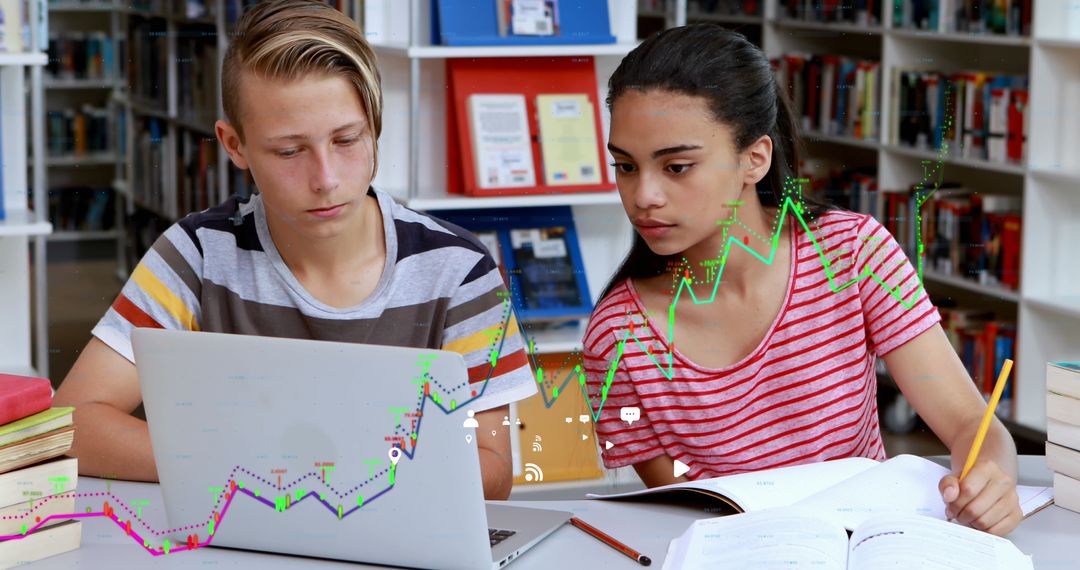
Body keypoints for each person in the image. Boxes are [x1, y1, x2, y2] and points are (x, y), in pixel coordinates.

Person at [53, 0, 534, 500]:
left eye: (347, 140)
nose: (325, 180)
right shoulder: (199, 254)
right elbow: (70, 425)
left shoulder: (459, 269)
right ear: (233, 144)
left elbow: (493, 471)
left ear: (375, 123)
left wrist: (313, 471)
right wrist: (264, 467)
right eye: (289, 151)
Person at [583, 24, 1022, 536]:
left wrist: (993, 479)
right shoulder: (617, 338)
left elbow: (972, 423)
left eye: (676, 167)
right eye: (626, 166)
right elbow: (680, 505)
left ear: (755, 158)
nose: (643, 196)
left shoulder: (852, 253)